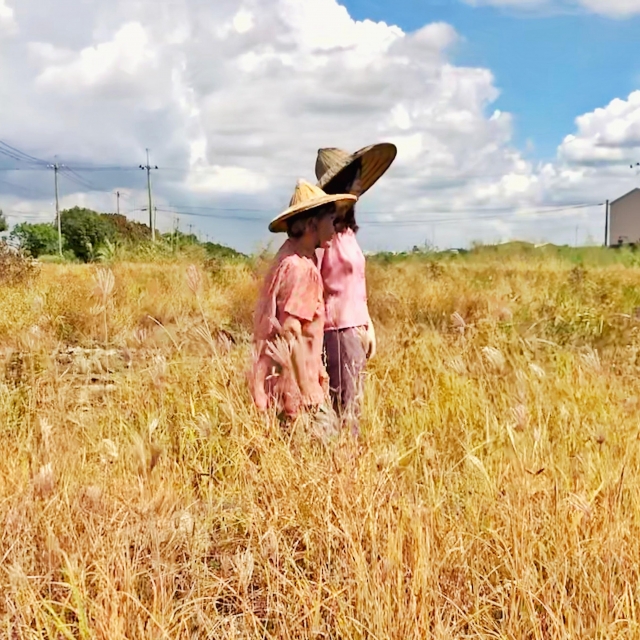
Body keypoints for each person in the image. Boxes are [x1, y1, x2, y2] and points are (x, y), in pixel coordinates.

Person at [249, 179, 358, 424]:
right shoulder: (301, 269)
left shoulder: (290, 256)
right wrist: (308, 392)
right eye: (330, 219)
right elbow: (291, 333)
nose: (334, 227)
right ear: (311, 224)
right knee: (326, 450)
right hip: (299, 391)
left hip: (281, 386)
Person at [314, 143, 397, 436]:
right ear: (342, 183)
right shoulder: (323, 231)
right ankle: (343, 471)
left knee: (353, 408)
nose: (361, 184)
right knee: (345, 412)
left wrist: (369, 325)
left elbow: (356, 286)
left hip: (355, 328)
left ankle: (346, 467)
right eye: (356, 177)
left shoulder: (347, 231)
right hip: (336, 331)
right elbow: (314, 285)